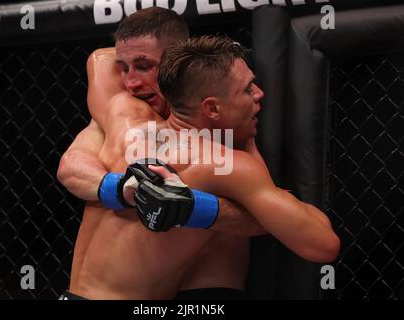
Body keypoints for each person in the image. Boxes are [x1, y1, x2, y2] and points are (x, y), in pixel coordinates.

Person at [65, 34, 339, 300]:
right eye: (247, 89)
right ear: (212, 109)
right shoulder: (220, 162)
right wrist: (246, 147)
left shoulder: (123, 117)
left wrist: (188, 58)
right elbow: (323, 244)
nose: (259, 93)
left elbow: (102, 58)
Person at [57, 8, 268, 300]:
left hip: (207, 287)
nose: (131, 82)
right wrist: (126, 188)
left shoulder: (218, 121)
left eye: (144, 66)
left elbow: (264, 217)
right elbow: (70, 167)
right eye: (124, 67)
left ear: (175, 63)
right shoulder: (123, 111)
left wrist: (193, 207)